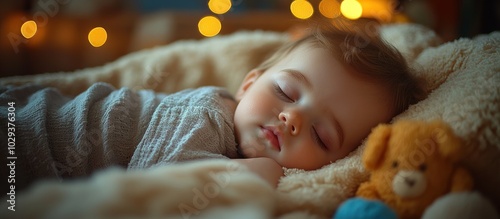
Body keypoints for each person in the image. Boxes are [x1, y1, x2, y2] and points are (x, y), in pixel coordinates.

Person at [0, 20, 424, 192]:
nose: (292, 118)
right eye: (287, 93)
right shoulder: (208, 112)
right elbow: (156, 182)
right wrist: (262, 170)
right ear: (249, 82)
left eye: (321, 135)